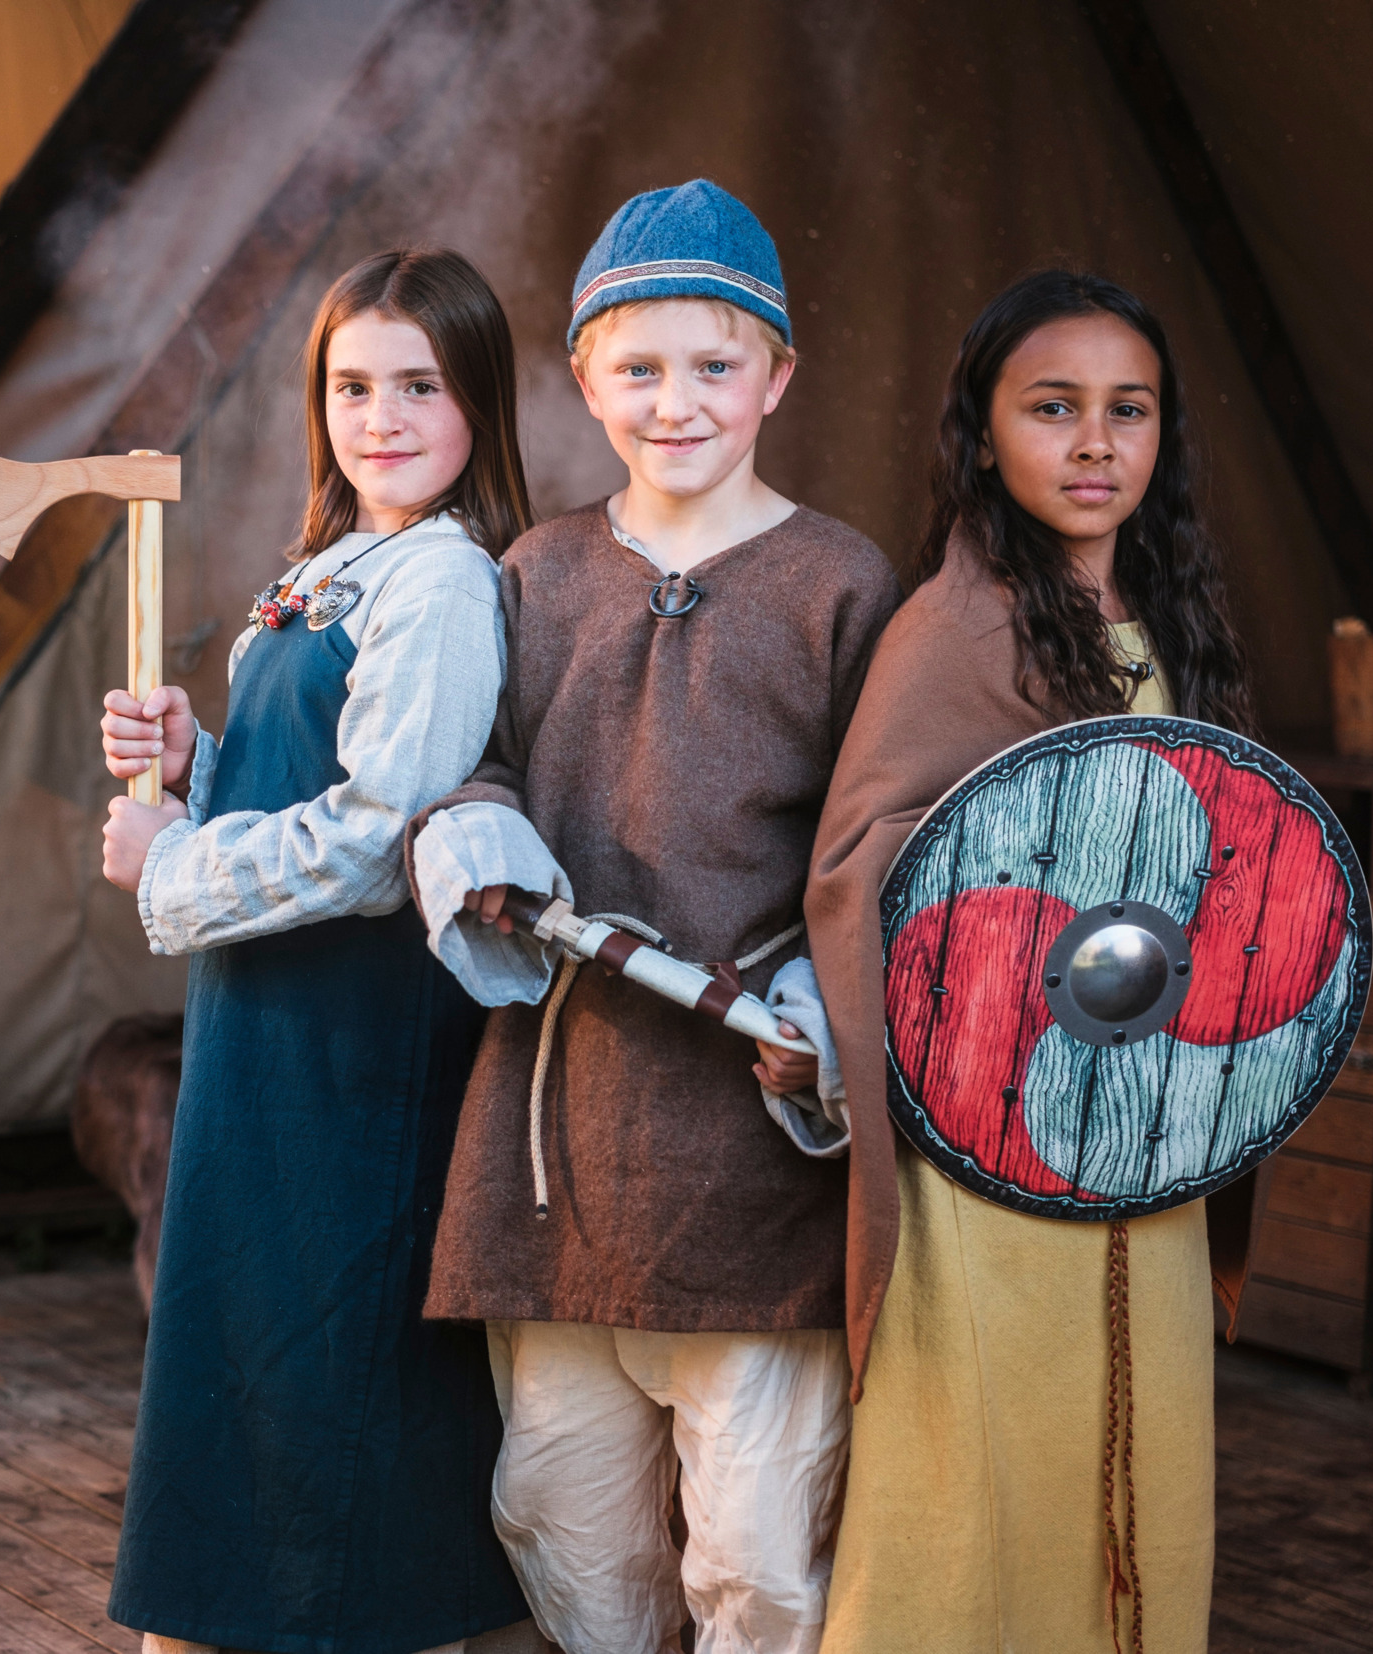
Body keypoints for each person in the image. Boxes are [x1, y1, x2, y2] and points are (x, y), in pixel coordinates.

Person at [407, 180, 900, 1654]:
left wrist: (823, 1015)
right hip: (556, 1137)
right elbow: (466, 764)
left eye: (713, 365)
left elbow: (872, 846)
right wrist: (482, 836)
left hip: (752, 1147)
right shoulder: (536, 574)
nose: (675, 400)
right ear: (584, 379)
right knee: (566, 1523)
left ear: (777, 377)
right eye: (638, 366)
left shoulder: (839, 582)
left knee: (754, 1552)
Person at [806, 269, 1258, 1654]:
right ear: (986, 429)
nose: (1095, 442)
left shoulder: (1168, 623)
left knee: (1143, 1459)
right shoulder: (956, 624)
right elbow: (856, 859)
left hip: (1147, 1123)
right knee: (978, 1477)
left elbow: (1232, 853)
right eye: (1053, 408)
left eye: (1130, 410)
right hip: (993, 1139)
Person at [97, 246, 540, 1654]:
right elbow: (296, 782)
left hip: (359, 1045)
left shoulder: (445, 579)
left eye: (421, 384)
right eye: (353, 385)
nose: (383, 416)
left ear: (479, 402)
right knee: (244, 1372)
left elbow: (372, 836)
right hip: (260, 1033)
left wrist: (172, 858)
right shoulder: (329, 568)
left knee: (337, 1388)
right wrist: (200, 758)